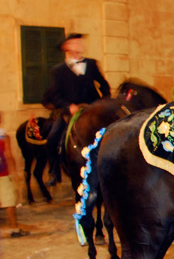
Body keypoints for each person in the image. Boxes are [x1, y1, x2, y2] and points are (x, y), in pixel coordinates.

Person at [44, 33, 110, 185]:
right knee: (52, 139)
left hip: (93, 110)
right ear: (66, 47)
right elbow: (55, 95)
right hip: (71, 112)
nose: (80, 45)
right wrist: (69, 106)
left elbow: (103, 84)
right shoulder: (58, 70)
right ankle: (54, 172)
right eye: (75, 43)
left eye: (80, 42)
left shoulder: (92, 64)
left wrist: (103, 102)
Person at [0, 115, 28, 238]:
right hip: (3, 173)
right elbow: (8, 156)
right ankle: (14, 228)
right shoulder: (4, 136)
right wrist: (14, 172)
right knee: (9, 200)